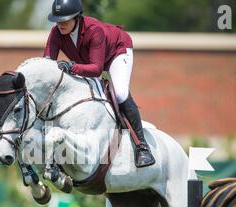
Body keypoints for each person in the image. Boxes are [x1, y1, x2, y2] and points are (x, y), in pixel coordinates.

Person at [43, 0, 155, 168]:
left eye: (65, 20)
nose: (60, 24)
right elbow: (47, 63)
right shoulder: (56, 33)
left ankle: (142, 146)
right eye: (58, 20)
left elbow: (96, 69)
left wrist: (71, 67)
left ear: (77, 18)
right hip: (88, 62)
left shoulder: (94, 30)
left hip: (117, 52)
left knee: (120, 93)